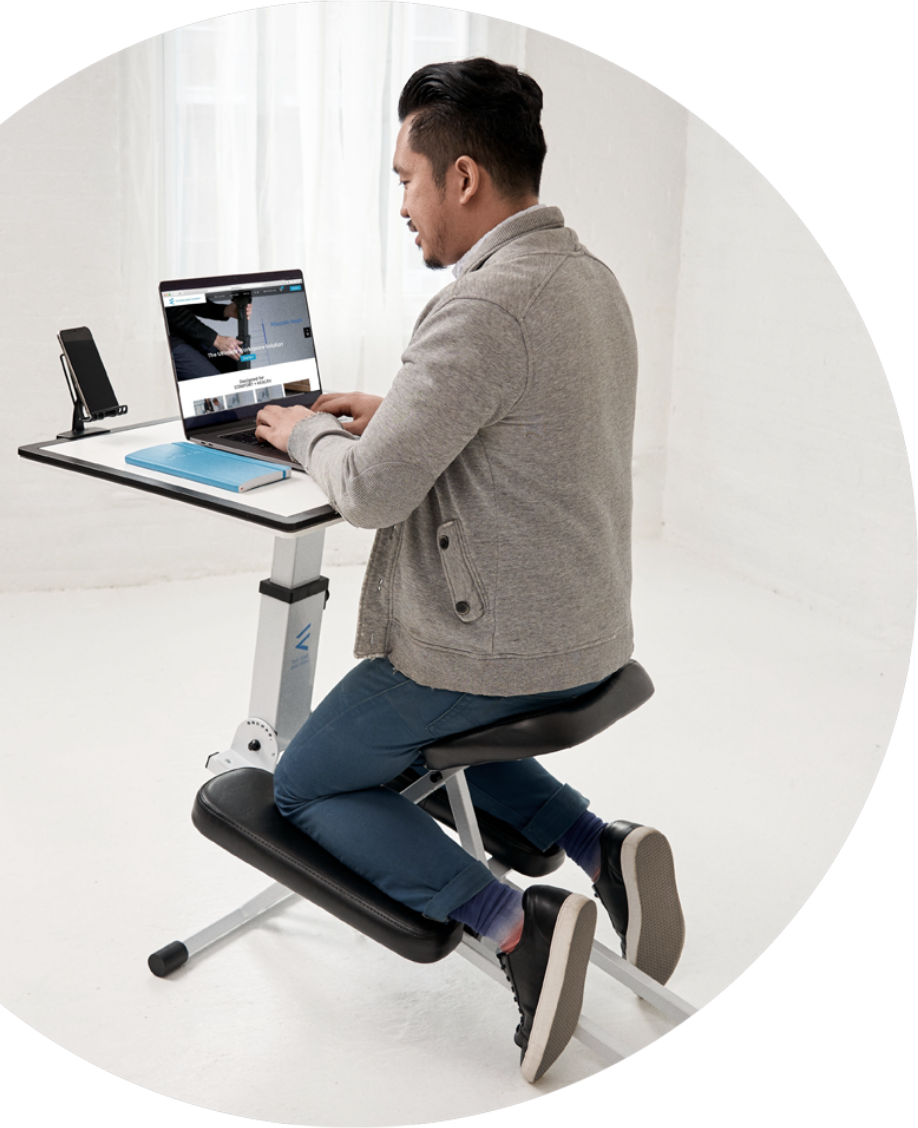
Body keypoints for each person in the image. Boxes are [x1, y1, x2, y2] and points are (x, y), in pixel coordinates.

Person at [255, 57, 684, 1084]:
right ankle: (595, 841)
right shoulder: (584, 275)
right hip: (586, 634)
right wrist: (385, 411)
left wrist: (300, 431)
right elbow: (512, 431)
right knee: (447, 732)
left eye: (405, 178)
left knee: (306, 783)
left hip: (496, 648)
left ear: (461, 179)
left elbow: (366, 495)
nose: (401, 206)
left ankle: (513, 923)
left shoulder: (482, 306)